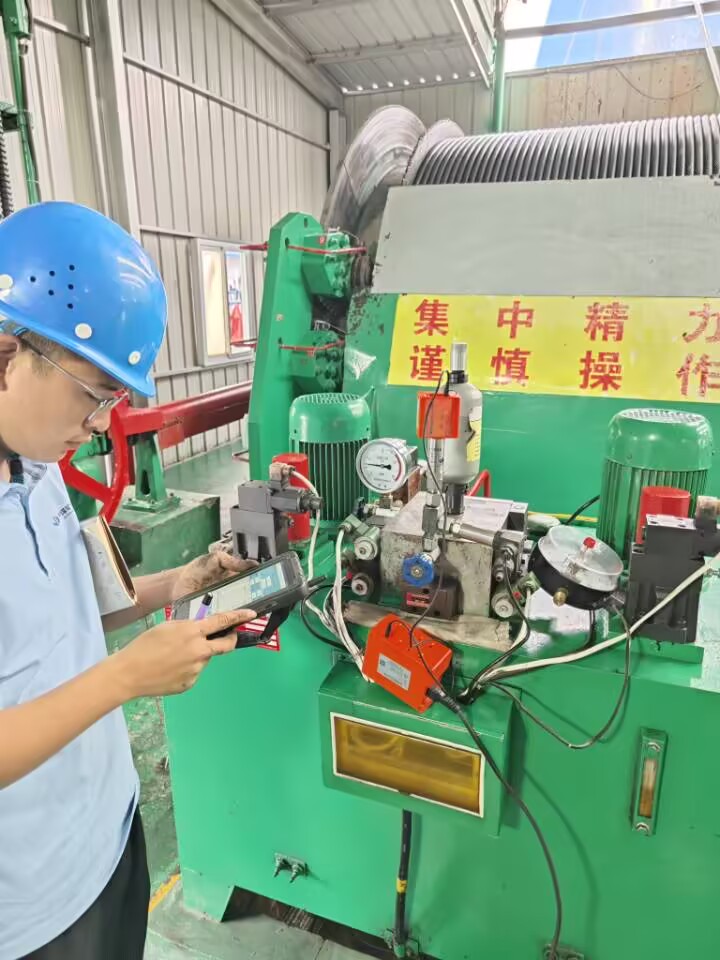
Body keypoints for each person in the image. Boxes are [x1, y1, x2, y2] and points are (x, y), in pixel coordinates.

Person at [0, 202, 257, 960]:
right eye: (94, 393)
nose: (100, 422)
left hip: (109, 834)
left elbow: (74, 611)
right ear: (7, 353)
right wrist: (124, 679)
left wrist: (184, 579)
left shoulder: (38, 465)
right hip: (32, 908)